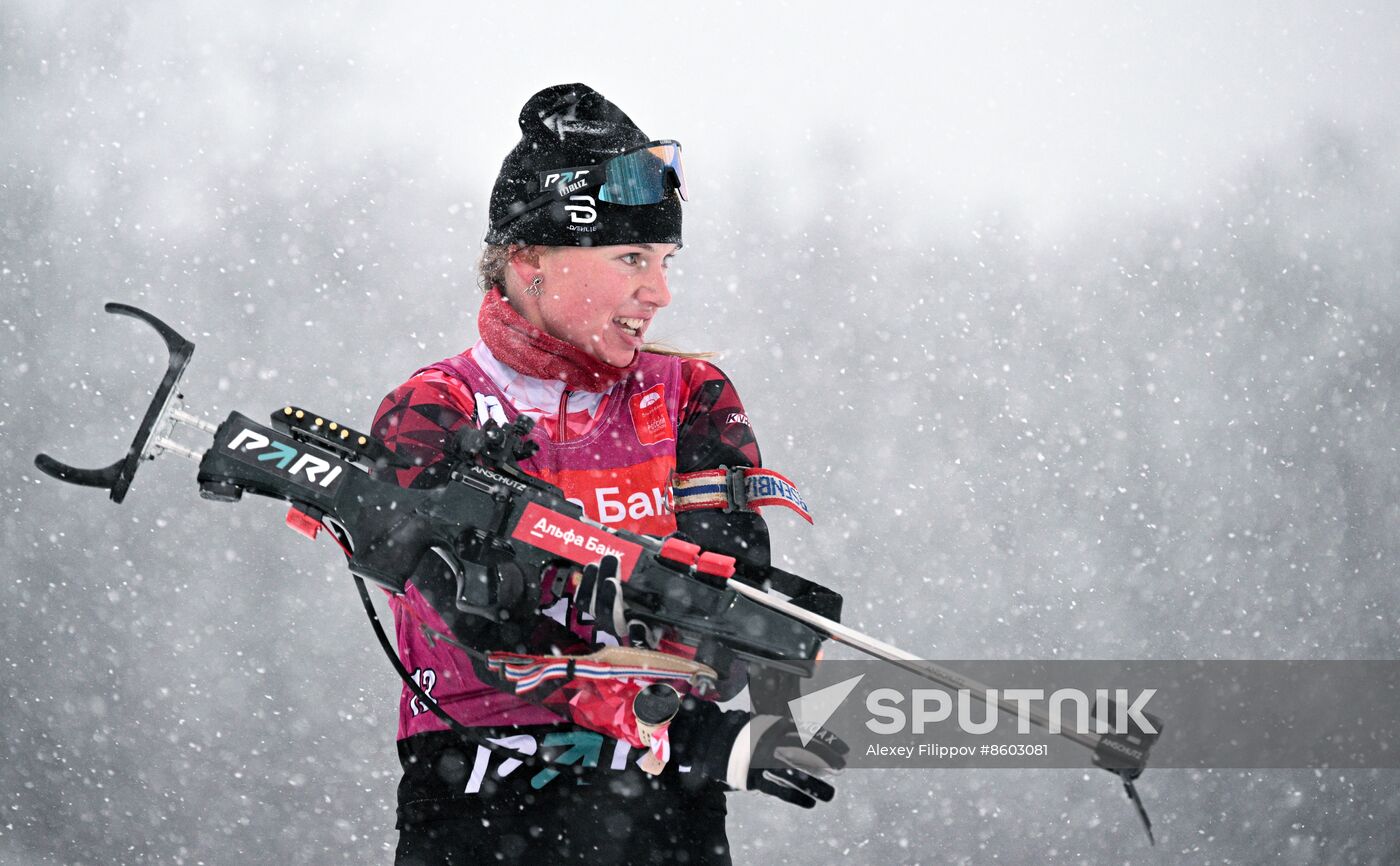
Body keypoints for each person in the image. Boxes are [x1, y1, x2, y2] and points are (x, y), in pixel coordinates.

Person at [370, 83, 842, 866]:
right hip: (480, 794)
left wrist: (705, 697)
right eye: (630, 259)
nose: (657, 292)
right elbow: (474, 626)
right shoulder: (432, 408)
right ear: (530, 261)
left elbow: (729, 598)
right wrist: (660, 713)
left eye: (664, 261)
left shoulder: (689, 395)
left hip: (656, 806)